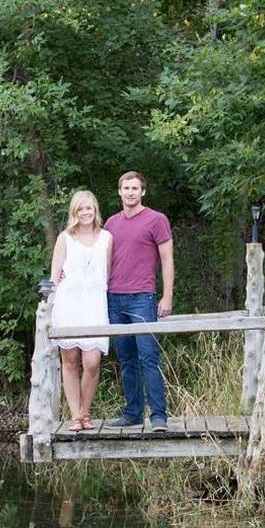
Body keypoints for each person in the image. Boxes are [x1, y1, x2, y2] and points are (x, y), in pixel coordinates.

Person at [104, 171, 174, 431]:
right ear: (119, 191)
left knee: (148, 357)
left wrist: (167, 296)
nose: (130, 192)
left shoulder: (156, 220)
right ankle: (132, 413)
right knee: (126, 359)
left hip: (142, 298)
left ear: (143, 192)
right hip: (114, 298)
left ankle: (158, 416)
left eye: (135, 188)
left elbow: (167, 259)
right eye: (126, 188)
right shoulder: (111, 223)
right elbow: (101, 259)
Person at [49, 190, 112, 432]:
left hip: (94, 303)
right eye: (81, 209)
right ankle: (77, 416)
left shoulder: (106, 237)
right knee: (71, 360)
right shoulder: (65, 238)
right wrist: (48, 306)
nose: (86, 213)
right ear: (74, 213)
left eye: (89, 208)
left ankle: (86, 410)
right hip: (68, 302)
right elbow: (55, 276)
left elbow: (106, 274)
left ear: (95, 210)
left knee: (93, 361)